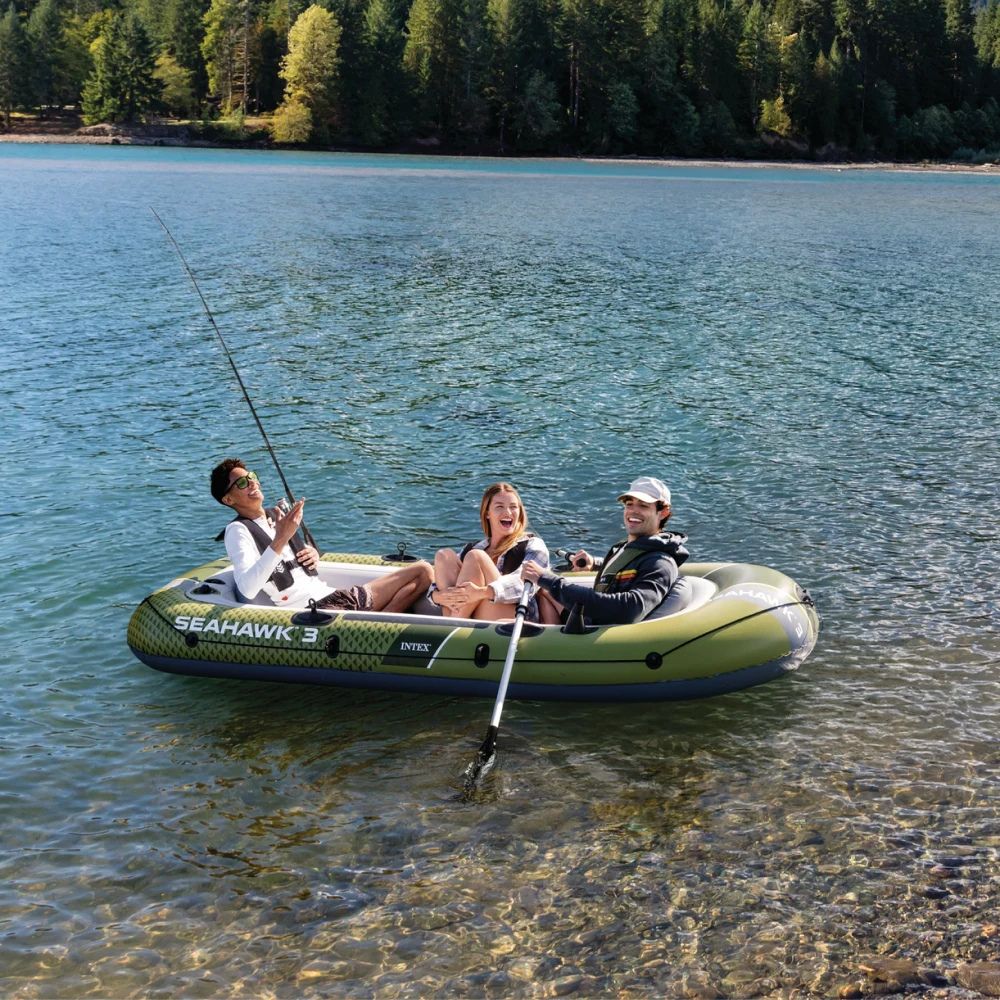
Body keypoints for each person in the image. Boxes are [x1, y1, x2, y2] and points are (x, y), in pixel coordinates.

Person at [210, 458, 432, 612]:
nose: (252, 482)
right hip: (316, 610)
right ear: (228, 500)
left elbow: (292, 560)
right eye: (242, 483)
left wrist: (312, 554)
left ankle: (379, 623)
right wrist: (281, 538)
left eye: (252, 476)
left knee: (423, 571)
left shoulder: (276, 516)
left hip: (335, 595)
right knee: (420, 574)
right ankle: (379, 626)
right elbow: (247, 587)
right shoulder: (238, 531)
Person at [520, 476, 689, 626]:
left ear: (663, 512)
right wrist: (595, 564)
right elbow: (629, 565)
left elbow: (629, 609)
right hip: (591, 620)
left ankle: (552, 644)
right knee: (542, 591)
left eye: (643, 506)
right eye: (629, 504)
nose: (633, 511)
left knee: (545, 586)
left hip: (598, 634)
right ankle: (550, 640)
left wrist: (549, 580)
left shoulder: (660, 563)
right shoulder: (630, 548)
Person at [430, 481, 557, 623]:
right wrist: (436, 596)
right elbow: (438, 582)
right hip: (474, 613)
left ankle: (452, 624)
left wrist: (482, 592)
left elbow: (527, 583)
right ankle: (453, 622)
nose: (508, 512)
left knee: (476, 557)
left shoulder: (533, 544)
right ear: (487, 513)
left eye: (513, 507)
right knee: (444, 555)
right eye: (499, 507)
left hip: (516, 617)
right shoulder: (474, 547)